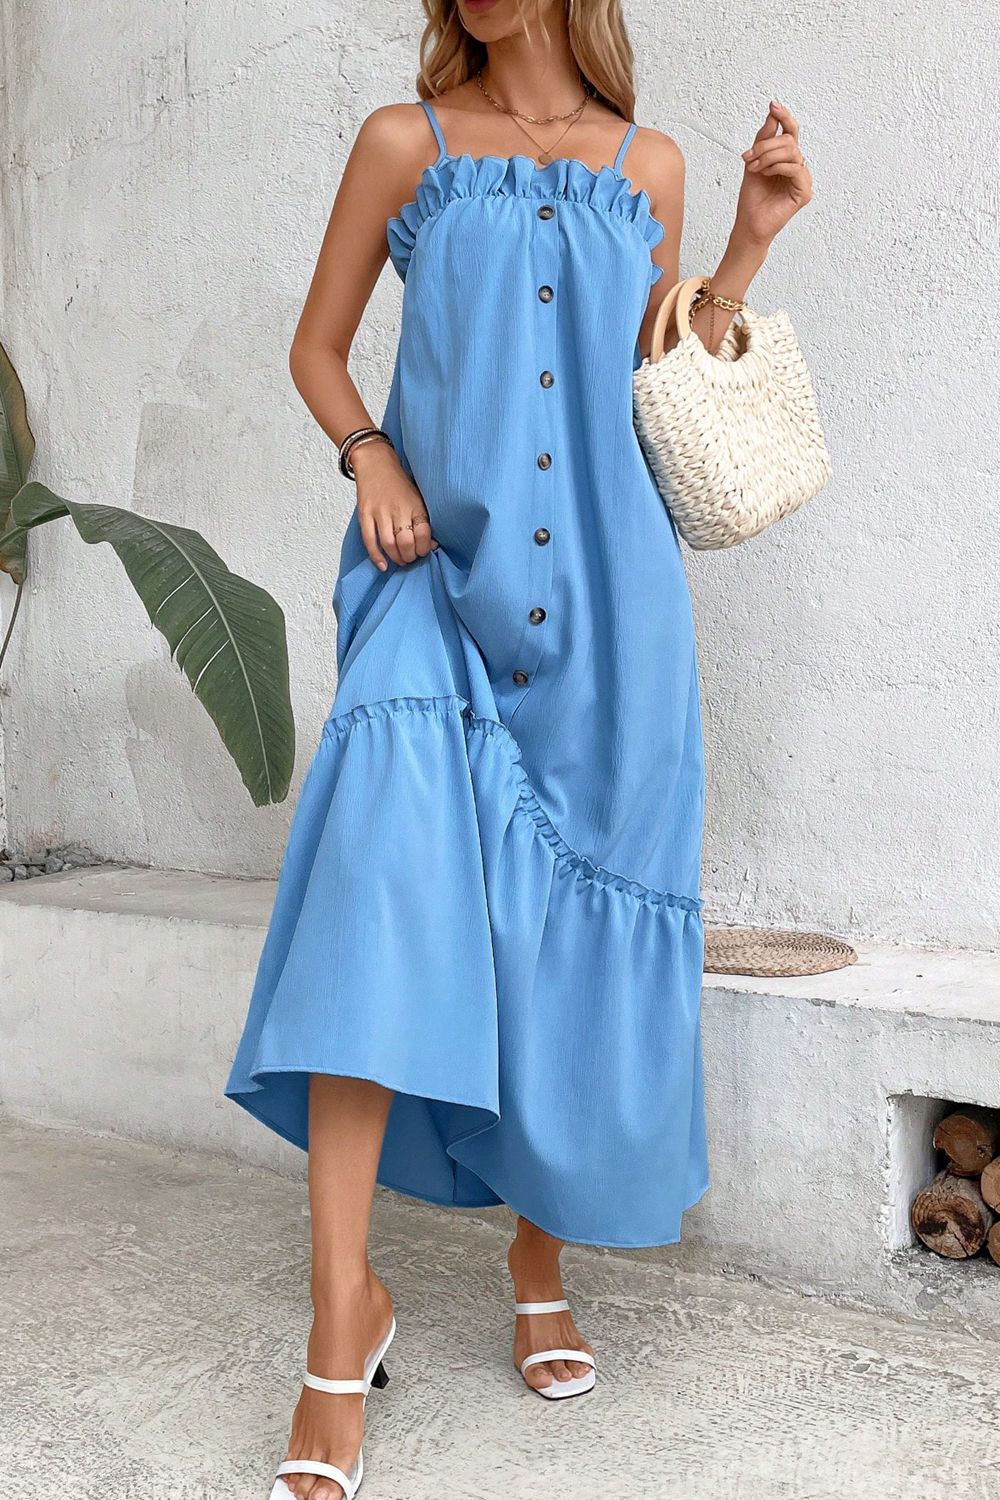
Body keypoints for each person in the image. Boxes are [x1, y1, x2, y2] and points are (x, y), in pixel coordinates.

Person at [225, 2, 812, 1495]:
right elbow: (316, 349)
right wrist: (370, 455)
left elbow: (658, 378)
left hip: (614, 614)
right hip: (433, 582)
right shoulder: (403, 144)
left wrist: (745, 246)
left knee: (563, 944)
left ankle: (537, 1266)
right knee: (369, 912)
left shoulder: (648, 167)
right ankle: (340, 1317)